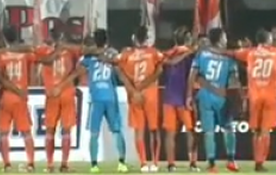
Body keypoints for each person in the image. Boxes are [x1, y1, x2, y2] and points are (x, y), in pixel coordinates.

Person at [233, 29, 276, 171]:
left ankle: (257, 161)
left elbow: (231, 53)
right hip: (270, 96)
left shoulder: (250, 52)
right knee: (265, 131)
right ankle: (260, 162)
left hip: (254, 96)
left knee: (256, 131)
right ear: (267, 39)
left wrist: (213, 49)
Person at [72, 29, 128, 173]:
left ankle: (94, 165)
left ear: (94, 41)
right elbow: (120, 64)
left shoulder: (89, 57)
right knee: (116, 131)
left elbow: (78, 69)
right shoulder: (112, 54)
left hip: (96, 98)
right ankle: (122, 163)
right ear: (107, 40)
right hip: (110, 96)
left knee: (94, 133)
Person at [187, 27, 239, 172]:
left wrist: (189, 96)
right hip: (222, 96)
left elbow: (193, 76)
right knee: (228, 128)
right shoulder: (228, 56)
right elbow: (234, 80)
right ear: (221, 39)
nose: (226, 40)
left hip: (205, 96)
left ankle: (211, 164)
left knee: (208, 131)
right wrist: (237, 95)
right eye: (225, 37)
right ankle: (231, 160)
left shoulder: (202, 54)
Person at [118, 26, 165, 171]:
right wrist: (146, 84)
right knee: (153, 129)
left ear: (134, 38)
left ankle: (143, 163)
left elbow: (120, 72)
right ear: (146, 38)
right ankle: (155, 163)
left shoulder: (126, 54)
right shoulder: (153, 52)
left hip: (135, 95)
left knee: (139, 130)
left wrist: (133, 90)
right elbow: (160, 69)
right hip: (150, 93)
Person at [35, 27, 81, 172]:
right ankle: (62, 164)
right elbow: (82, 53)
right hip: (64, 92)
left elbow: (42, 59)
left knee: (51, 130)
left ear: (50, 37)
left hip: (54, 93)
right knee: (63, 130)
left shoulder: (44, 50)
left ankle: (51, 165)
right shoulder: (68, 51)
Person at [0, 26, 36, 171]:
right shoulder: (25, 55)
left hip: (6, 96)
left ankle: (7, 164)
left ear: (4, 38)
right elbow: (35, 53)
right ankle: (31, 163)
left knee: (3, 132)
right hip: (21, 98)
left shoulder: (1, 55)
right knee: (26, 132)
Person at [161, 27, 198, 171]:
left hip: (174, 98)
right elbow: (170, 63)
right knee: (189, 131)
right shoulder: (186, 54)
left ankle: (175, 164)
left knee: (177, 132)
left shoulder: (173, 53)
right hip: (180, 98)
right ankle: (190, 163)